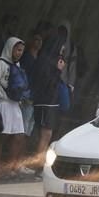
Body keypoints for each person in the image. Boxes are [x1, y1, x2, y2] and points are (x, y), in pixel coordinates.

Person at [0, 37, 35, 177]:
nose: (19, 53)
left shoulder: (17, 65)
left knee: (19, 135)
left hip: (15, 104)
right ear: (10, 48)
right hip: (2, 103)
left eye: (21, 50)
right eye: (18, 49)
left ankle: (10, 167)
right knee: (1, 137)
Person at [31, 40, 65, 168]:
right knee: (46, 134)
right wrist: (58, 70)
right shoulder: (48, 63)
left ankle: (39, 163)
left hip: (42, 101)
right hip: (48, 102)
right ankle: (39, 166)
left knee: (43, 134)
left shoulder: (42, 60)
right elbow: (50, 83)